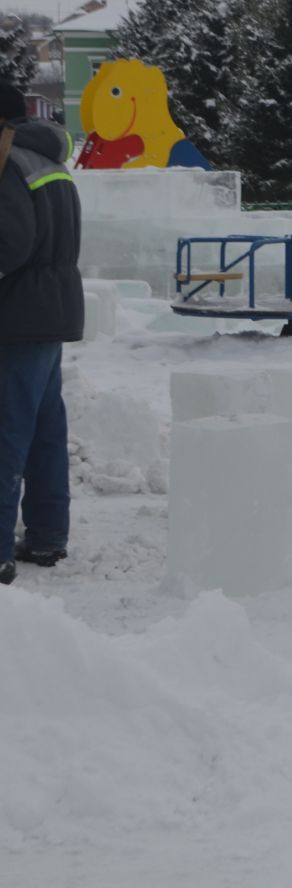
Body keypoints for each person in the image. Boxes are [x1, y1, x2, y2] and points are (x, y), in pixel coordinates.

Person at [0, 83, 82, 587]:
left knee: (6, 431)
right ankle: (48, 535)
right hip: (51, 313)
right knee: (45, 431)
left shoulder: (10, 165)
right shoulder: (47, 161)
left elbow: (10, 242)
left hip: (18, 318)